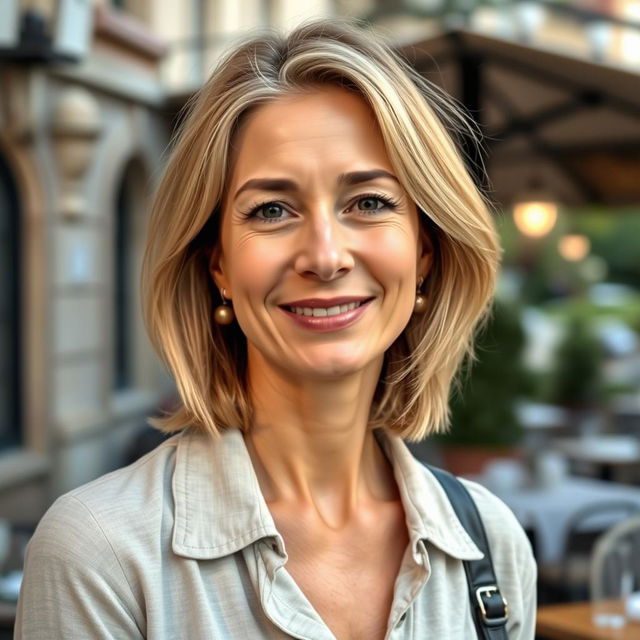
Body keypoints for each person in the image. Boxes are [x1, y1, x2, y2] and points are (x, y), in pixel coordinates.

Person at [15, 20, 536, 640]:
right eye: (272, 210)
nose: (325, 255)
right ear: (219, 267)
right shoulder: (102, 553)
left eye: (369, 202)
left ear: (424, 251)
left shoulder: (492, 548)